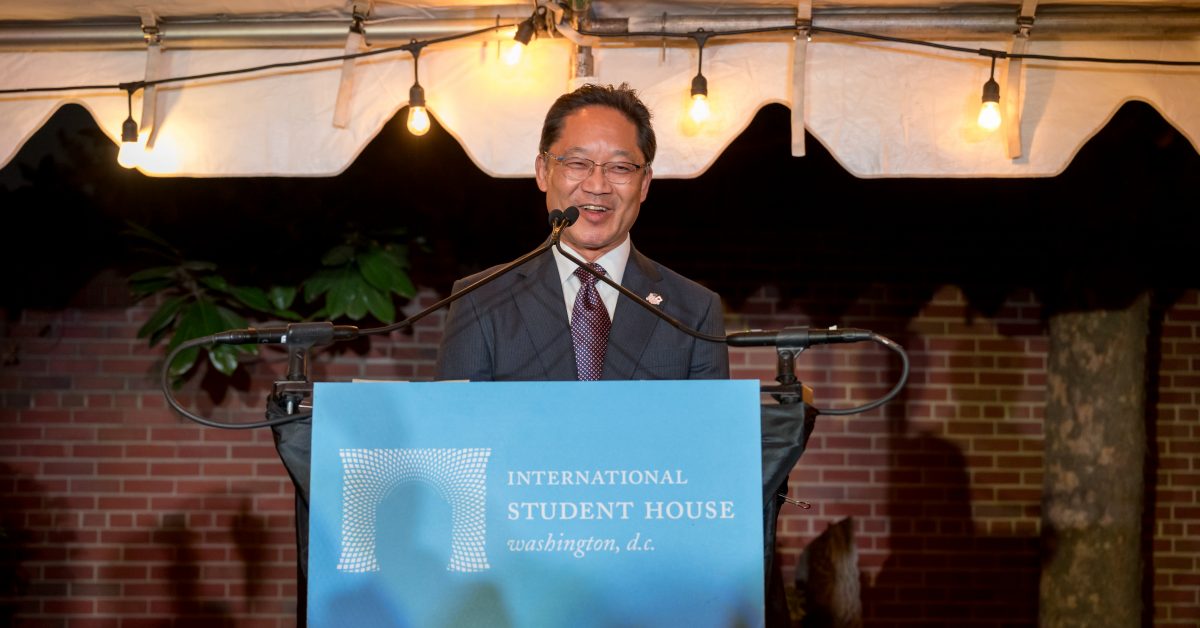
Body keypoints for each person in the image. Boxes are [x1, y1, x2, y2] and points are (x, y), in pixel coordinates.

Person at [436, 83, 729, 381]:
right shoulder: (480, 299)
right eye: (577, 163)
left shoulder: (694, 311)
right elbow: (457, 412)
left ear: (644, 184)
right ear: (543, 171)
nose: (597, 185)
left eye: (620, 168)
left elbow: (709, 413)